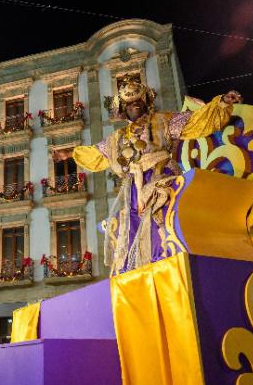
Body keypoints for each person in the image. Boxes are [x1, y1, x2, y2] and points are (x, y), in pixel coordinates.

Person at [73, 79, 242, 274]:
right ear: (123, 109)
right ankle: (137, 270)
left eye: (139, 100)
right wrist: (70, 154)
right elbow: (96, 154)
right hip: (133, 189)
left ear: (146, 102)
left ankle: (166, 261)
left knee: (161, 219)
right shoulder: (117, 137)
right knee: (130, 226)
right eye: (129, 103)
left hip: (162, 177)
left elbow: (195, 121)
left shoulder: (163, 120)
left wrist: (221, 103)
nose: (135, 104)